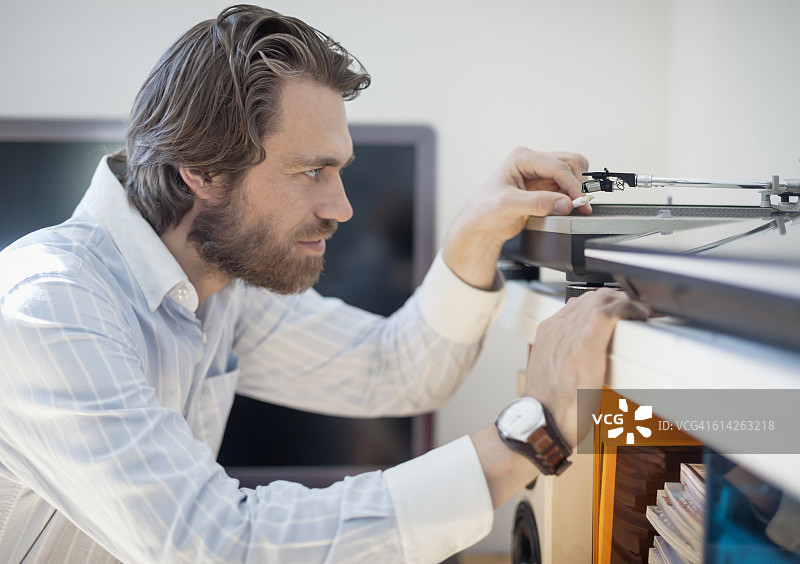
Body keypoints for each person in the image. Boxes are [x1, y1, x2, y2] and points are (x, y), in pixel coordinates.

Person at [0, 5, 648, 563]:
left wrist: (475, 233)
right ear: (201, 170)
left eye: (339, 170)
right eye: (312, 171)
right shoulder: (49, 310)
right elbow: (219, 545)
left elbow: (394, 369)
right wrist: (528, 435)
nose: (342, 207)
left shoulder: (219, 286)